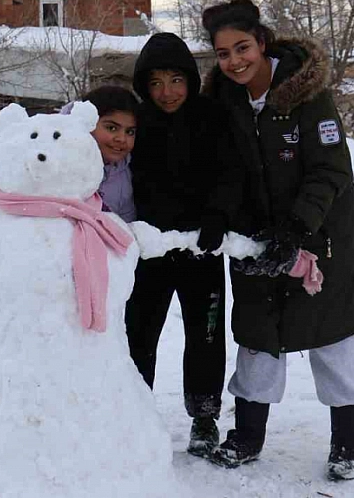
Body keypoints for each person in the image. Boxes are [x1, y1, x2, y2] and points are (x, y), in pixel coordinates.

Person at [199, 0, 354, 481]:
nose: (234, 61)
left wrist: (296, 230)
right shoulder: (225, 102)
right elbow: (226, 171)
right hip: (256, 241)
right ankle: (247, 437)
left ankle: (347, 444)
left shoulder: (306, 95)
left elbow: (330, 170)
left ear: (262, 42)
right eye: (223, 53)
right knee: (257, 337)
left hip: (322, 241)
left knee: (332, 339)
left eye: (242, 48)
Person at [126, 32, 243, 457]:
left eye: (175, 79)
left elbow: (231, 174)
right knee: (138, 334)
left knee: (205, 333)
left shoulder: (212, 117)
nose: (166, 92)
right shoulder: (137, 123)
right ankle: (133, 413)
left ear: (190, 80)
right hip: (149, 252)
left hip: (201, 249)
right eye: (155, 82)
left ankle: (205, 416)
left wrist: (218, 215)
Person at [60, 85, 140, 221]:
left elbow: (127, 223)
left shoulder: (123, 173)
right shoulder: (59, 161)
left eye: (130, 132)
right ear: (87, 123)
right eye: (112, 128)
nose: (122, 138)